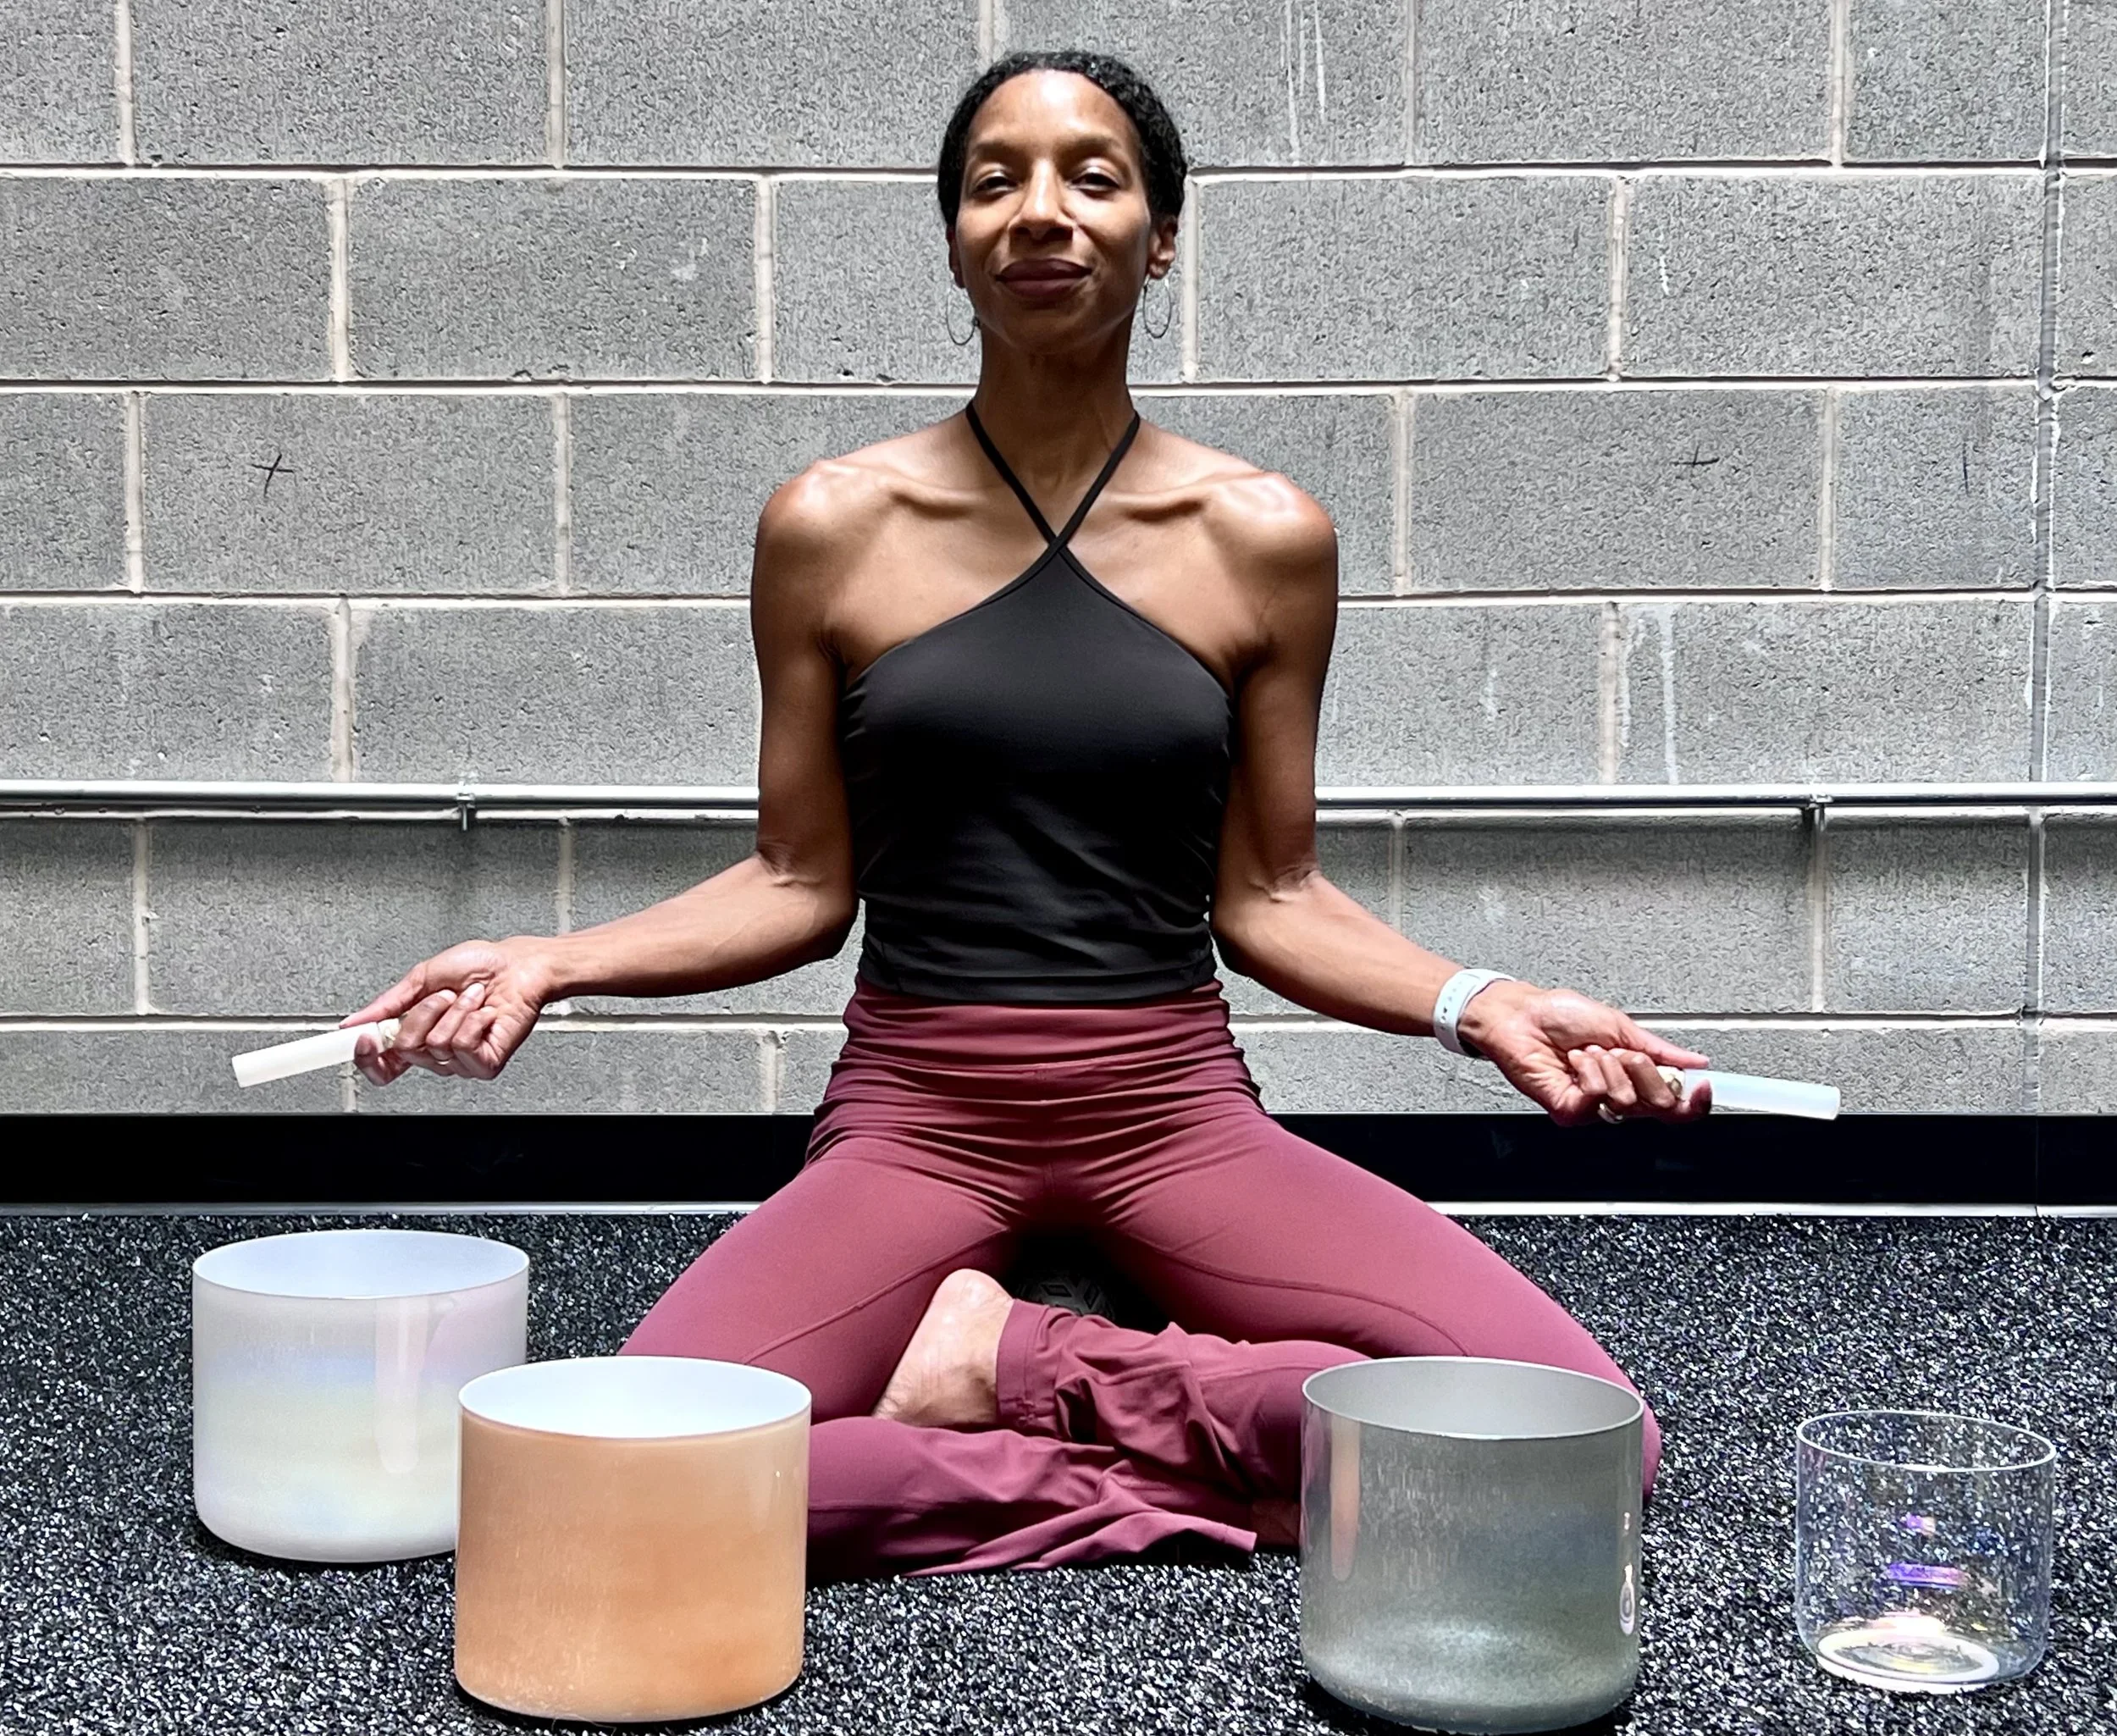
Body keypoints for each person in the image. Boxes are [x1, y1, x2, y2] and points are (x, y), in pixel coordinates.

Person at [344, 49, 1711, 1578]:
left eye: (1094, 176)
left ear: (1163, 232)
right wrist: (552, 957)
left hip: (1172, 1110)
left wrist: (1484, 999)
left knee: (1591, 1442)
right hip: (921, 1114)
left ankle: (1025, 1364)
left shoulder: (1263, 538)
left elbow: (1270, 897)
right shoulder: (831, 526)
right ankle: (1183, 1462)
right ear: (952, 237)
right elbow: (798, 880)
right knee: (612, 1483)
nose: (1042, 211)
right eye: (996, 179)